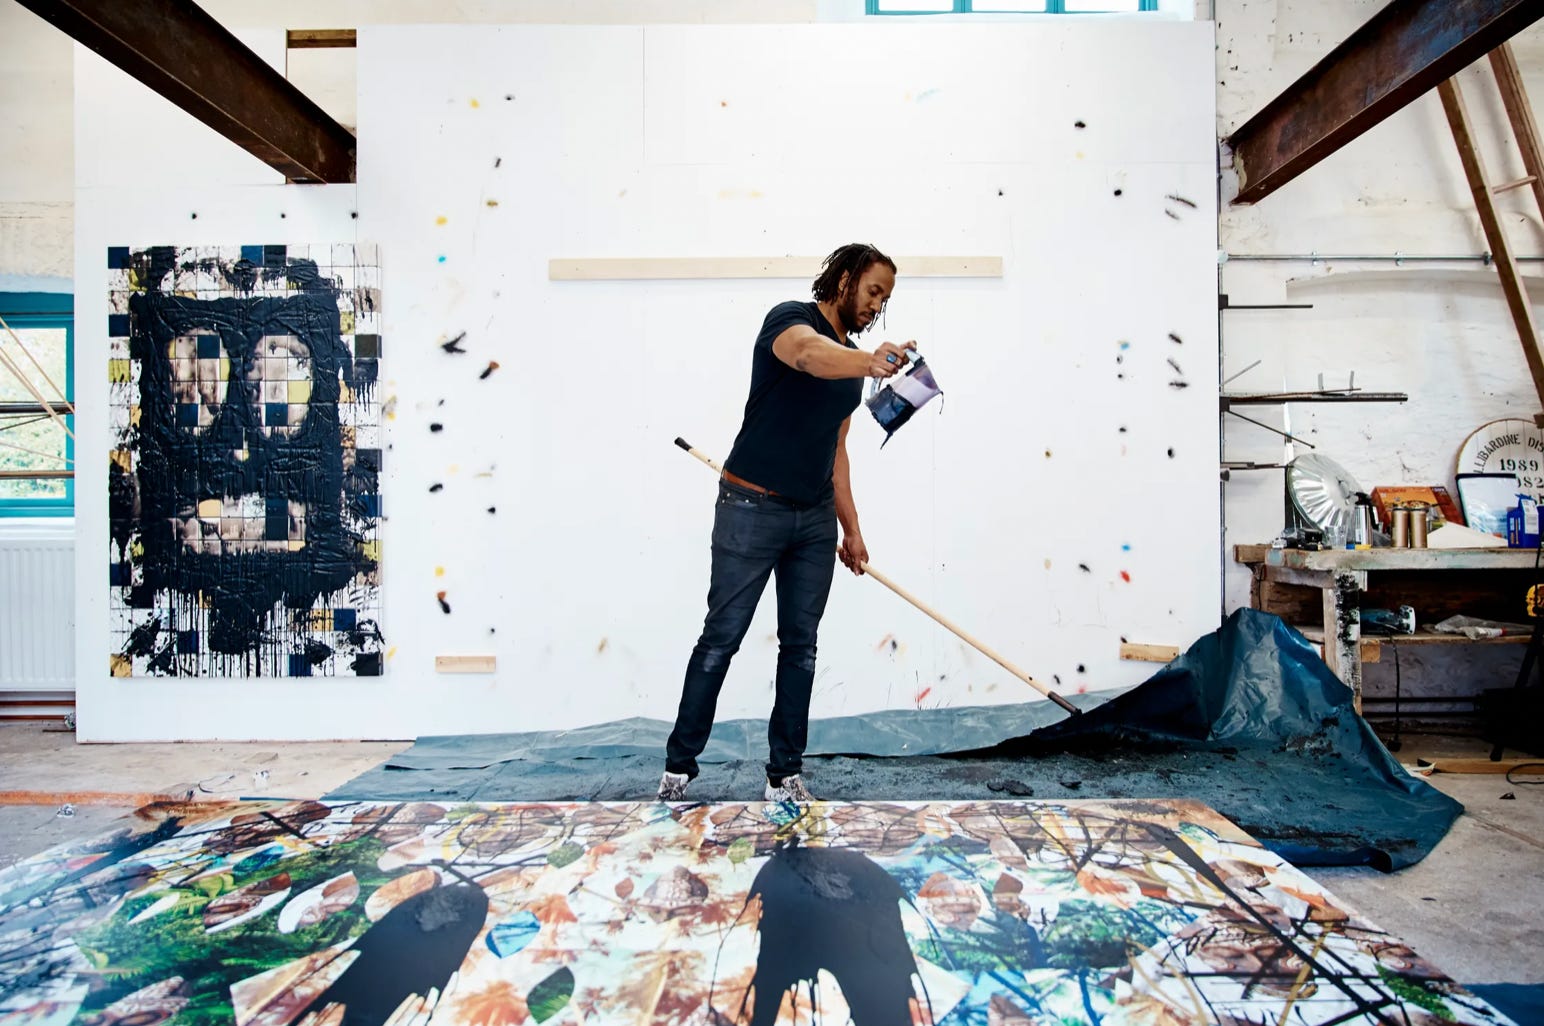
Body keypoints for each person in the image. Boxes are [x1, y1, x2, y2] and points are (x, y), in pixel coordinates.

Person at [660, 243, 916, 803]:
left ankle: (784, 775)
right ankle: (678, 769)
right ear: (845, 279)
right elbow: (806, 355)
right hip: (751, 508)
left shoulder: (852, 365)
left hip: (815, 518)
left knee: (801, 647)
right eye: (873, 291)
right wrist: (868, 362)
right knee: (721, 638)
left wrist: (851, 529)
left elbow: (837, 450)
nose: (876, 306)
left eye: (885, 299)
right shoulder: (789, 320)